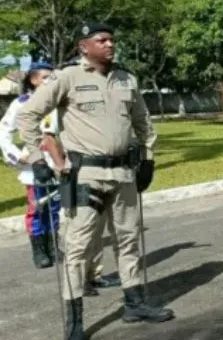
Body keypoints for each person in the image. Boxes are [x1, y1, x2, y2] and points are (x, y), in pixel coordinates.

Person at [16, 22, 173, 340]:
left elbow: (143, 122)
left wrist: (148, 158)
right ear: (83, 47)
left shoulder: (127, 78)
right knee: (78, 247)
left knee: (128, 239)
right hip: (84, 176)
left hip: (123, 175)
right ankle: (75, 324)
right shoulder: (67, 78)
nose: (110, 44)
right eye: (101, 40)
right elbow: (27, 116)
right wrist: (36, 158)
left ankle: (135, 303)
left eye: (112, 39)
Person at [0, 62, 60, 268]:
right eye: (45, 77)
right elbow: (4, 132)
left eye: (53, 78)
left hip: (59, 162)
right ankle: (39, 250)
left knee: (55, 207)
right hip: (34, 164)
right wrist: (17, 155)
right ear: (34, 80)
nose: (50, 82)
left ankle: (53, 246)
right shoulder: (21, 103)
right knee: (37, 208)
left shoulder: (59, 101)